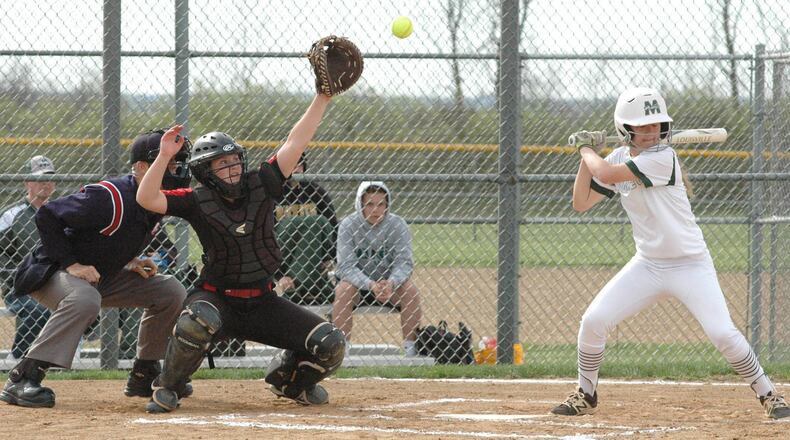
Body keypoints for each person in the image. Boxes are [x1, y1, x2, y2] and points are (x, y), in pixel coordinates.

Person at [551, 87, 789, 420]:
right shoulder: (618, 158)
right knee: (593, 321)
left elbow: (604, 173)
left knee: (722, 333)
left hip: (690, 265)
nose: (651, 132)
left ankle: (769, 394)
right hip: (647, 265)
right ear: (626, 129)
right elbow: (580, 202)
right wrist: (585, 157)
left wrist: (586, 147)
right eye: (642, 126)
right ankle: (586, 392)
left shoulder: (664, 158)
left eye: (657, 125)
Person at [136, 94, 346, 414]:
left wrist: (322, 98)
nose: (232, 168)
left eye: (234, 160)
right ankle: (168, 384)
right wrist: (165, 155)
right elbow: (147, 198)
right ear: (206, 172)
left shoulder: (262, 183)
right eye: (223, 164)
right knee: (197, 322)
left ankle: (289, 379)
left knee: (331, 344)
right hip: (216, 299)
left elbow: (296, 140)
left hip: (263, 301)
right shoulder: (196, 199)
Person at [0, 130, 192, 408]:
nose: (174, 170)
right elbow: (48, 214)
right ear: (140, 168)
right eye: (166, 162)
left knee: (170, 290)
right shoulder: (109, 196)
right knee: (85, 299)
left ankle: (143, 372)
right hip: (51, 271)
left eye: (176, 163)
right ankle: (23, 376)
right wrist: (72, 264)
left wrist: (131, 261)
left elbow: (104, 240)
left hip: (98, 277)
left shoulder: (155, 201)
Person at [332, 181, 423, 357]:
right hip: (358, 286)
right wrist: (369, 284)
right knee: (343, 290)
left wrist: (391, 282)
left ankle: (410, 351)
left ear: (387, 205)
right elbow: (345, 266)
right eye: (370, 204)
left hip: (389, 286)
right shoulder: (348, 225)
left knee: (411, 291)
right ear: (360, 205)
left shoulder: (397, 225)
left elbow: (404, 262)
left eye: (381, 204)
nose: (376, 210)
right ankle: (341, 353)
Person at [0, 156, 57, 360]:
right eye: (39, 179)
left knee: (84, 304)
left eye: (49, 179)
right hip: (21, 285)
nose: (46, 184)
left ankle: (58, 358)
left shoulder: (61, 212)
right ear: (27, 182)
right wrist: (20, 275)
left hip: (56, 282)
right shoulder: (12, 215)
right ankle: (19, 359)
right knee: (38, 310)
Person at [275, 152, 338, 305]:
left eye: (299, 165)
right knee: (315, 222)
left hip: (317, 256)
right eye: (291, 165)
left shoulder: (316, 192)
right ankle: (314, 286)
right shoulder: (272, 194)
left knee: (316, 225)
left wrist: (330, 257)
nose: (295, 169)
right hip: (283, 254)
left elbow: (333, 228)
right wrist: (278, 274)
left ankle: (296, 285)